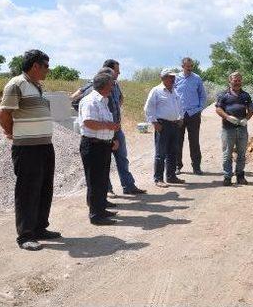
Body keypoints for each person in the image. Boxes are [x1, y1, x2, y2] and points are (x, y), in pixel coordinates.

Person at [0, 49, 61, 250]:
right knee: (27, 191)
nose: (48, 70)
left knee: (44, 188)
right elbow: (3, 114)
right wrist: (12, 133)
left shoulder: (36, 86)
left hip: (44, 146)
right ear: (35, 66)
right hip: (27, 149)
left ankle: (40, 228)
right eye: (46, 66)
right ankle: (25, 236)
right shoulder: (16, 84)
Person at [78, 72, 121, 225]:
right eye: (111, 84)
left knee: (102, 180)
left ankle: (101, 209)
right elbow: (88, 122)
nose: (113, 87)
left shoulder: (103, 100)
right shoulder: (90, 100)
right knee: (95, 181)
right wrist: (109, 126)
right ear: (104, 85)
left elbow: (104, 123)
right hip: (93, 145)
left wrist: (112, 138)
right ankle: (96, 215)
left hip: (103, 145)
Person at [102, 59, 146, 195]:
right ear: (108, 70)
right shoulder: (97, 85)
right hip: (104, 130)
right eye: (117, 71)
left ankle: (128, 186)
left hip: (117, 128)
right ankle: (107, 190)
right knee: (105, 161)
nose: (119, 73)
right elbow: (76, 99)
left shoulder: (115, 84)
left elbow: (120, 98)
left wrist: (116, 106)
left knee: (122, 158)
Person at [144, 68, 185, 188]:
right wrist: (154, 122)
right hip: (162, 125)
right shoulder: (156, 91)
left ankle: (171, 176)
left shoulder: (174, 91)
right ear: (163, 78)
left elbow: (180, 106)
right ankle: (158, 179)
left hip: (174, 124)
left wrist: (181, 118)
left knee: (173, 152)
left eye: (173, 77)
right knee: (160, 153)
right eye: (170, 77)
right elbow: (148, 108)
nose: (173, 79)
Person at [215, 71, 253, 186]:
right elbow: (218, 109)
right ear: (229, 81)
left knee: (241, 153)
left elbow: (250, 110)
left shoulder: (246, 95)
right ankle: (227, 177)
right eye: (234, 80)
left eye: (239, 80)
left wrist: (246, 118)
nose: (237, 82)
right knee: (227, 153)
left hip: (242, 128)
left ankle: (240, 176)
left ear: (241, 81)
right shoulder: (223, 95)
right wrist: (227, 117)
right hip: (228, 128)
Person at [174, 57, 207, 175]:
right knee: (178, 141)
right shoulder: (176, 78)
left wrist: (199, 109)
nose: (189, 68)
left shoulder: (197, 78)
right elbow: (172, 95)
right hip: (179, 115)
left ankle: (196, 167)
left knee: (194, 141)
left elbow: (203, 96)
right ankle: (177, 166)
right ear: (182, 66)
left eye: (191, 66)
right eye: (187, 66)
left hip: (193, 114)